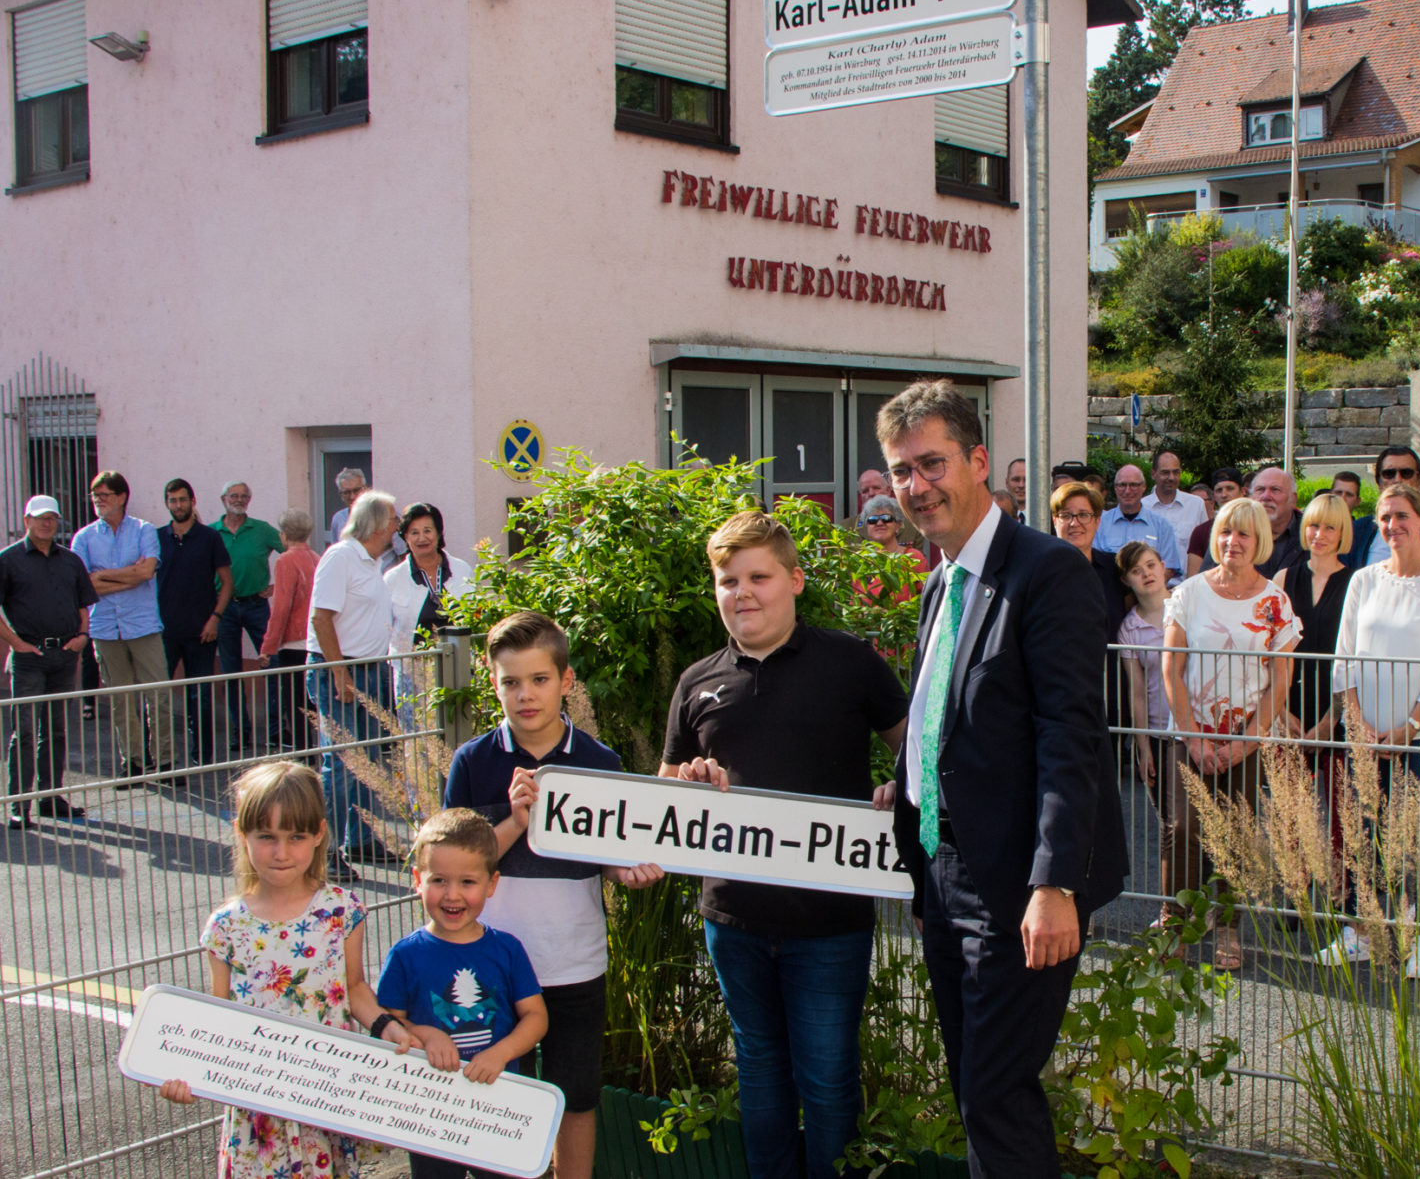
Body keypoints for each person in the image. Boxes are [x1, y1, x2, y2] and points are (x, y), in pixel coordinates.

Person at [878, 380, 1127, 1178]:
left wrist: (1054, 885)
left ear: (978, 460)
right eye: (900, 471)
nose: (917, 487)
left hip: (1020, 886)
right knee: (975, 1091)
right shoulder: (941, 581)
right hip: (946, 876)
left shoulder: (1048, 572)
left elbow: (1071, 734)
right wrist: (916, 829)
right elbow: (941, 722)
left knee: (995, 1091)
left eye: (932, 463)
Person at [661, 512, 907, 1179]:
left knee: (827, 1081)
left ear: (794, 581)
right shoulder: (697, 681)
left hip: (829, 921)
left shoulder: (850, 663)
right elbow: (666, 791)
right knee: (761, 1075)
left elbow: (914, 748)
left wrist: (897, 790)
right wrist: (687, 784)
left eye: (758, 577)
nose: (741, 592)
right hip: (731, 917)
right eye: (726, 580)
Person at [447, 611, 664, 1179]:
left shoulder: (600, 762)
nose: (525, 695)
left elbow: (610, 859)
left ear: (565, 681)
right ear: (492, 683)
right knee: (496, 1091)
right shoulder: (472, 763)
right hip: (490, 966)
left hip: (574, 960)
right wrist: (519, 820)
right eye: (510, 682)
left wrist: (628, 872)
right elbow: (453, 867)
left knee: (576, 1093)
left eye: (539, 680)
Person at [156, 761, 413, 1178]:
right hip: (256, 1112)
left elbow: (353, 987)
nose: (281, 852)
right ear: (242, 833)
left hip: (322, 1100)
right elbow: (215, 1016)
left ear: (318, 835)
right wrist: (186, 1075)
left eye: (296, 836)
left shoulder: (341, 911)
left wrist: (387, 1026)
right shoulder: (226, 927)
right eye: (266, 837)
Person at [1324, 483, 1420, 976]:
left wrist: (1407, 730)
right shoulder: (1364, 579)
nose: (1393, 526)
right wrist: (1357, 722)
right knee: (1365, 836)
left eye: (1403, 516)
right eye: (1385, 518)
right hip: (1366, 736)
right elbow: (1345, 657)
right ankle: (1360, 931)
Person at [1163, 496, 1301, 971]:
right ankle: (1175, 920)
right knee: (1182, 829)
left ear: (1259, 539)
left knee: (1236, 833)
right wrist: (1195, 738)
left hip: (1246, 738)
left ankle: (1226, 926)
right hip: (1190, 735)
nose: (1232, 541)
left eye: (1243, 533)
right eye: (1224, 531)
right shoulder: (1189, 593)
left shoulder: (1275, 602)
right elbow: (1171, 669)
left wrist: (1246, 742)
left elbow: (1280, 681)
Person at [375, 808, 549, 1179]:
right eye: (439, 880)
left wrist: (501, 1053)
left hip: (500, 1104)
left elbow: (536, 1017)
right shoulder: (405, 955)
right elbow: (387, 1021)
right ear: (417, 880)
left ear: (491, 883)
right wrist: (425, 1033)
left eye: (468, 882)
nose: (452, 895)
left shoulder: (507, 949)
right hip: (430, 1110)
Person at [309, 490, 401, 881]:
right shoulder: (341, 557)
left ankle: (360, 839)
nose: (398, 525)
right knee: (343, 763)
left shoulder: (369, 562)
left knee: (366, 761)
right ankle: (325, 851)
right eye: (394, 519)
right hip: (342, 670)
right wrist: (339, 674)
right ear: (378, 524)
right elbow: (321, 618)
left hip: (368, 668)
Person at [1, 495, 96, 827]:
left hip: (63, 655)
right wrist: (16, 644)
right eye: (40, 518)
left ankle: (49, 797)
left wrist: (82, 637)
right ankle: (18, 803)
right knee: (24, 732)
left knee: (55, 730)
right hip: (28, 658)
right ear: (27, 521)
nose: (47, 523)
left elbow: (84, 603)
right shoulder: (8, 560)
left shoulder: (70, 560)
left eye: (52, 518)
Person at [71, 470, 172, 781]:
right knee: (121, 699)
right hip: (104, 628)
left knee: (159, 694)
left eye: (105, 495)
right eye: (95, 496)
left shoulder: (143, 530)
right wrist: (122, 576)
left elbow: (146, 573)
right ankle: (133, 761)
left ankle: (166, 761)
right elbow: (84, 585)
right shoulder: (84, 537)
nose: (98, 501)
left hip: (142, 625)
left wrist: (103, 576)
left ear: (122, 497)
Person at [1115, 543, 1186, 920]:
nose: (1146, 573)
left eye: (1151, 564)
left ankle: (1193, 907)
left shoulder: (1188, 604)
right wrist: (1141, 745)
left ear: (1164, 568)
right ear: (1127, 580)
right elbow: (1136, 692)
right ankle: (1176, 907)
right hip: (1159, 734)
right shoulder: (1130, 627)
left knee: (1199, 824)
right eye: (1136, 570)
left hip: (1196, 732)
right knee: (1171, 827)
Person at [157, 478, 234, 768]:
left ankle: (201, 757)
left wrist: (215, 618)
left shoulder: (209, 537)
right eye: (172, 500)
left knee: (199, 697)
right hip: (163, 631)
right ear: (167, 503)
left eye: (182, 499)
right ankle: (161, 756)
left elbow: (227, 583)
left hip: (203, 630)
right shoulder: (156, 538)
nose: (178, 505)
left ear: (193, 501)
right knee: (159, 696)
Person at [213, 481, 285, 754]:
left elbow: (291, 553)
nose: (239, 500)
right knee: (231, 670)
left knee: (272, 665)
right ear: (224, 499)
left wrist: (278, 586)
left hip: (256, 605)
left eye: (244, 496)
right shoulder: (212, 532)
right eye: (234, 495)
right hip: (225, 609)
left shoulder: (261, 529)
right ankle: (239, 731)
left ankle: (277, 730)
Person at [1282, 492, 1356, 744]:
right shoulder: (1282, 579)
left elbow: (1354, 656)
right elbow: (1267, 650)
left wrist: (1330, 721)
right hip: (1287, 707)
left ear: (1342, 533)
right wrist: (1279, 713)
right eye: (1314, 525)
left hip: (1336, 707)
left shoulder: (1357, 584)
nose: (1319, 534)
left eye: (1330, 528)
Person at [257, 508, 321, 750]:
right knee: (312, 705)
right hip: (315, 641)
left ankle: (303, 759)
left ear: (284, 535)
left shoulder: (286, 560)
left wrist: (268, 647)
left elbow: (281, 607)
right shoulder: (316, 557)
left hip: (293, 642)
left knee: (296, 707)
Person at [385, 502, 476, 657]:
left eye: (427, 531)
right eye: (414, 532)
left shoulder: (462, 569)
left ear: (439, 533)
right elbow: (385, 628)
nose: (422, 538)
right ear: (405, 537)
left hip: (459, 664)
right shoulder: (393, 578)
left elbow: (475, 616)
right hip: (412, 668)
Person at [1342, 447, 1420, 569]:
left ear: (1419, 481)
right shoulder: (1356, 532)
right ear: (1379, 482)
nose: (1397, 480)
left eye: (1406, 473)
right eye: (1389, 474)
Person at [1052, 480, 1127, 644]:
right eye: (1065, 515)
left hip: (1108, 667)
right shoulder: (1040, 573)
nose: (1074, 523)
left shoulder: (1115, 568)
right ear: (1055, 521)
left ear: (1097, 521)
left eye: (1084, 515)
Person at [1095, 464, 1183, 576]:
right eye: (1122, 485)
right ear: (1115, 488)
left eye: (1133, 485)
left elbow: (1169, 568)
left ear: (1144, 487)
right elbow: (1094, 565)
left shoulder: (1161, 526)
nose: (1127, 491)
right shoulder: (1099, 524)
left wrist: (1144, 591)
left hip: (1148, 592)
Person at [857, 494, 930, 609]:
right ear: (867, 527)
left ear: (898, 525)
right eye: (872, 520)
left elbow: (927, 602)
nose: (879, 523)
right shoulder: (860, 562)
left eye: (887, 518)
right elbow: (853, 606)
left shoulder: (914, 558)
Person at [1140, 449, 1204, 559]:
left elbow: (1205, 545)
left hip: (1189, 576)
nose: (1171, 477)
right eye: (1165, 473)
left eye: (1176, 472)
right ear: (1153, 474)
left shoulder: (1196, 505)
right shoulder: (1142, 507)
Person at [1185, 467, 1244, 576]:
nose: (1224, 494)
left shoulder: (1254, 528)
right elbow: (1192, 579)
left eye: (1230, 488)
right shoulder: (1201, 532)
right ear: (1214, 495)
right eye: (1219, 490)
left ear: (1242, 491)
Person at [1249, 466, 1305, 576]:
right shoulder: (1235, 531)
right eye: (1260, 489)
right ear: (1251, 497)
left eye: (1275, 490)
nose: (1266, 496)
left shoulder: (1310, 533)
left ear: (1293, 499)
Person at [328, 467, 367, 547]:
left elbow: (400, 552)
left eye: (356, 490)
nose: (352, 497)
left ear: (365, 489)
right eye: (347, 492)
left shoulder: (383, 515)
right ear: (341, 495)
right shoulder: (338, 518)